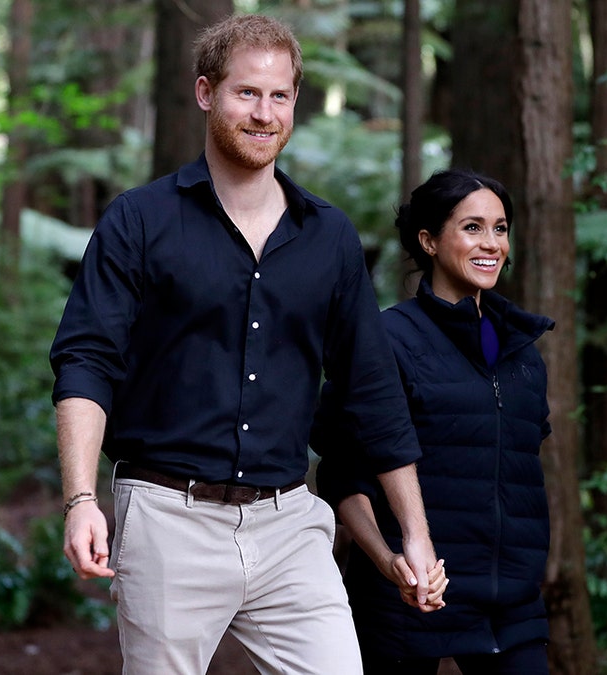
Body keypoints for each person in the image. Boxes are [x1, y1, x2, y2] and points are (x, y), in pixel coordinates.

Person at [48, 14, 441, 675]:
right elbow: (86, 360)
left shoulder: (330, 237)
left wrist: (418, 534)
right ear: (207, 93)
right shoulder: (139, 221)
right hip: (168, 516)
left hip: (290, 521)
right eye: (246, 93)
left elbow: (372, 392)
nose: (264, 113)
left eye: (279, 96)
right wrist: (82, 498)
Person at [311, 168, 554, 674]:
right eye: (472, 227)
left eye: (500, 228)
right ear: (428, 240)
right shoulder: (385, 342)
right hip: (405, 597)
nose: (491, 243)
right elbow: (341, 476)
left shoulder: (523, 352)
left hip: (511, 602)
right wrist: (386, 561)